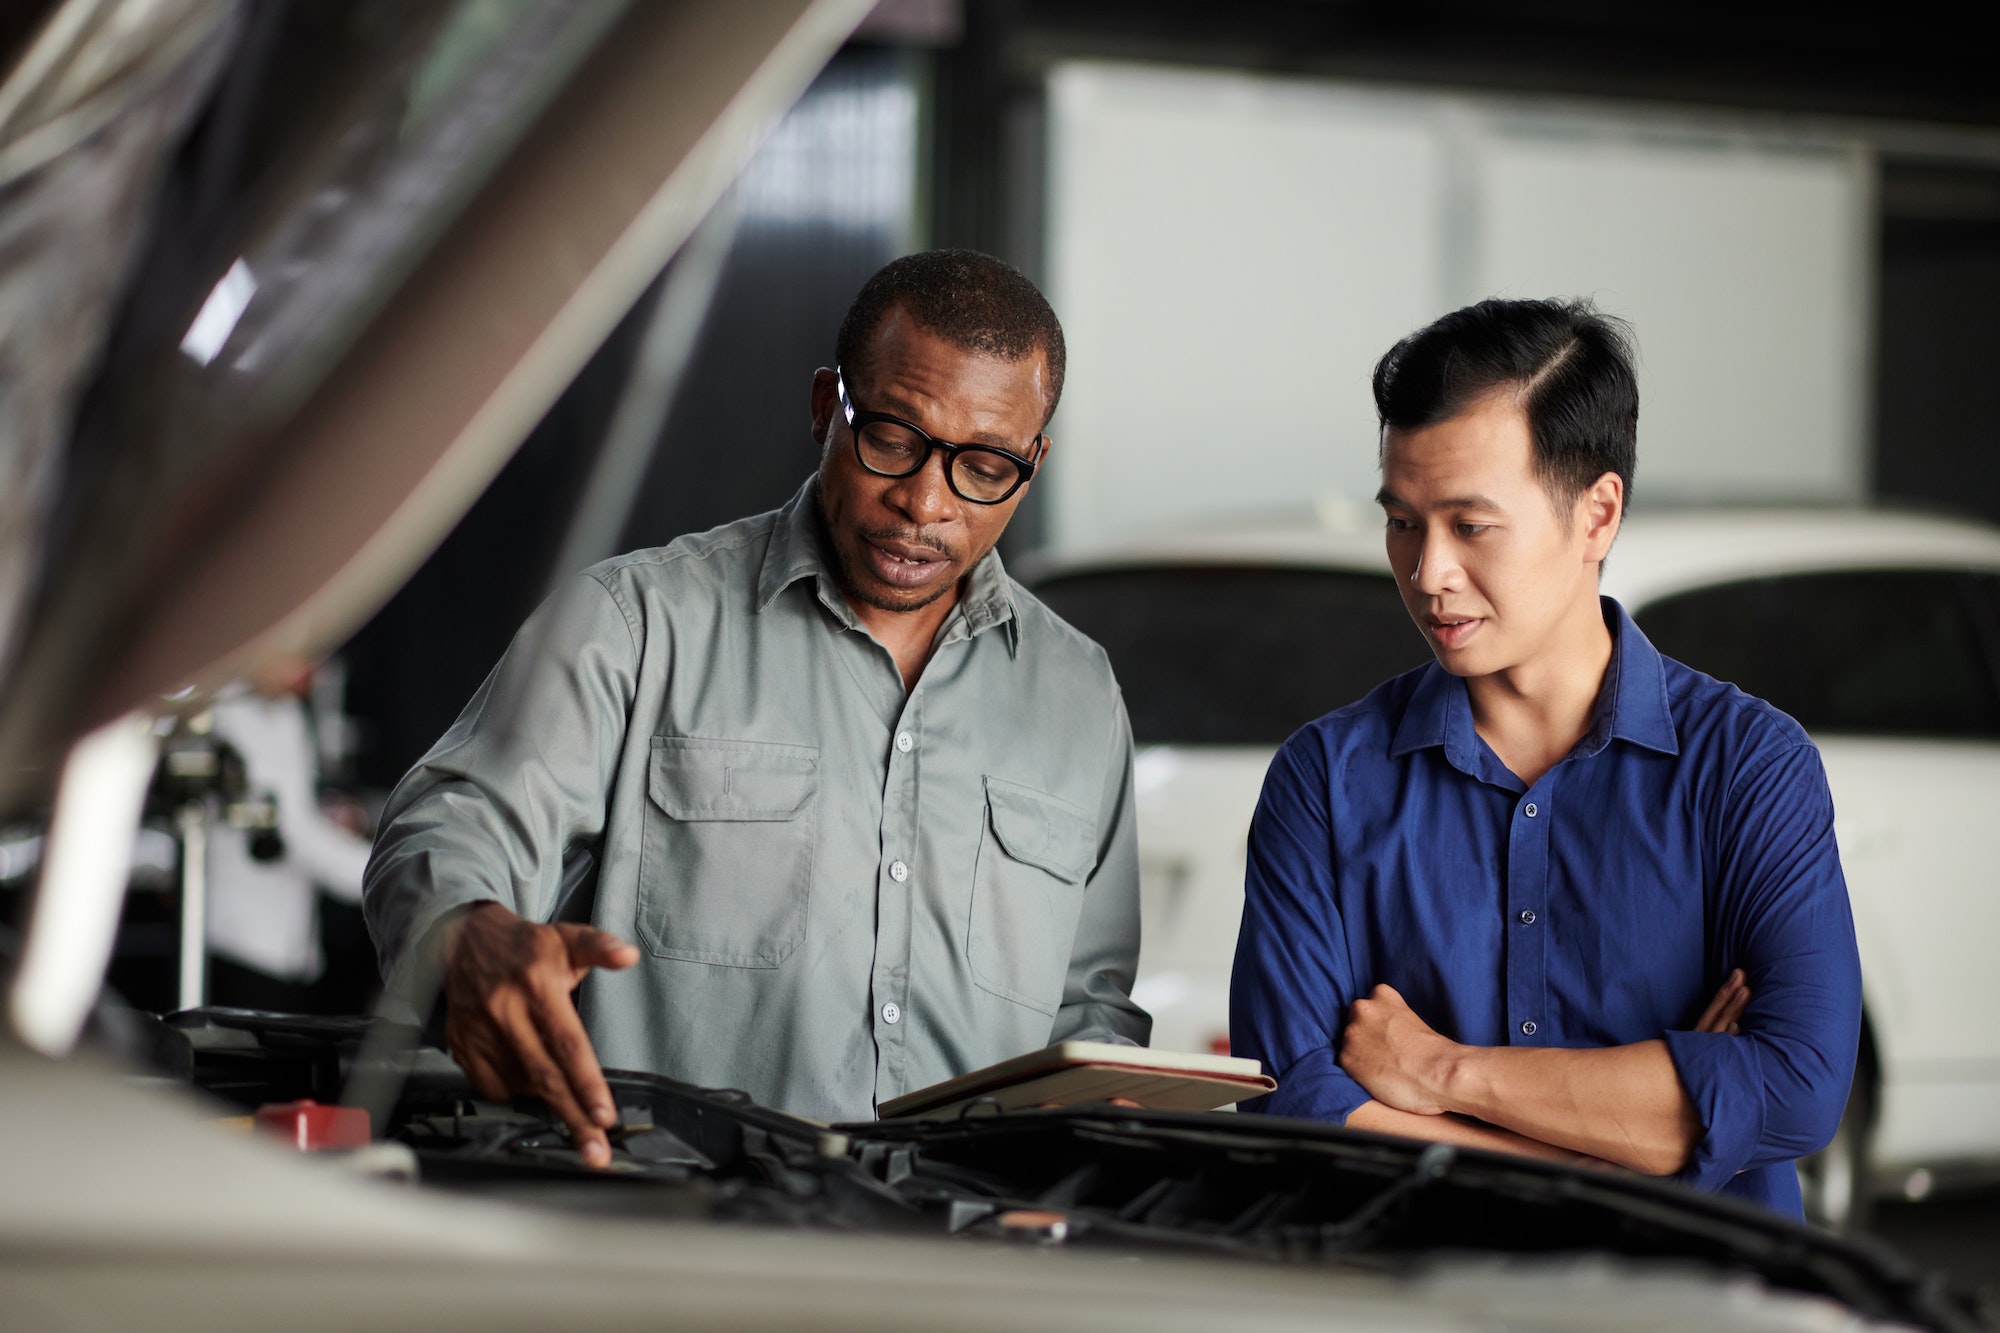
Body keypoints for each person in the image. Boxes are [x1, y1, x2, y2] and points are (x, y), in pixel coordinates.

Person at [364, 250, 1149, 1165]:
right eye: (892, 437)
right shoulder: (637, 624)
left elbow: (1091, 1010)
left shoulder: (1078, 695)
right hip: (678, 1255)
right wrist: (467, 932)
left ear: (1032, 462)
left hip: (960, 1268)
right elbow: (452, 826)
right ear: (828, 405)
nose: (925, 501)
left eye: (983, 465)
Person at [1229, 298, 1860, 1217]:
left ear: (1597, 515)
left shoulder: (1748, 766)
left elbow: (1796, 1083)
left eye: (1470, 525)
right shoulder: (1325, 780)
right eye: (1403, 521)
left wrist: (1439, 1073)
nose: (1428, 570)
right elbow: (1297, 1103)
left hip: (1700, 1300)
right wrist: (1639, 1151)